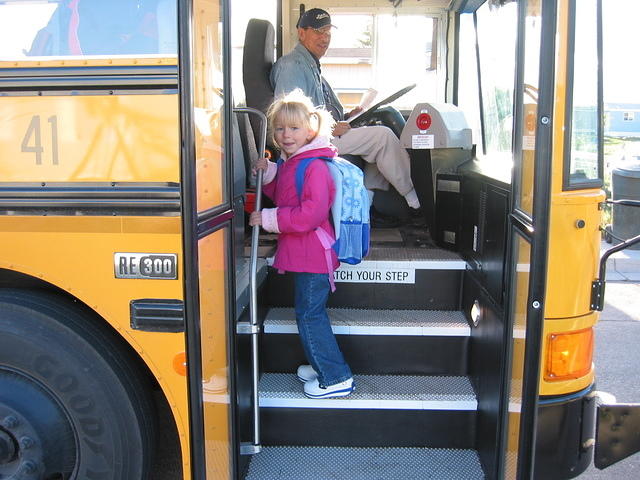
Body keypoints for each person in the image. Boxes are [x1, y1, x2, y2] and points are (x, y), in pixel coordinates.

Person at [270, 7, 422, 227]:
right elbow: (289, 118)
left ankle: (365, 210)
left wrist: (350, 116)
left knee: (375, 147)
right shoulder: (292, 66)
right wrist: (330, 128)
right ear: (301, 33)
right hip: (312, 142)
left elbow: (319, 107)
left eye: (328, 33)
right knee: (383, 137)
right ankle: (416, 202)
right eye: (318, 31)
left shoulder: (312, 65)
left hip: (323, 132)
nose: (325, 38)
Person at [249, 89, 354, 399]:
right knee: (308, 312)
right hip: (306, 253)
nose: (285, 135)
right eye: (279, 128)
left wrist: (268, 219)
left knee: (310, 315)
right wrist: (268, 173)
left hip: (313, 254)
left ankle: (335, 376)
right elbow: (285, 191)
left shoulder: (315, 166)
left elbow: (309, 215)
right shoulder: (295, 162)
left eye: (293, 129)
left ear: (311, 130)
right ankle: (321, 363)